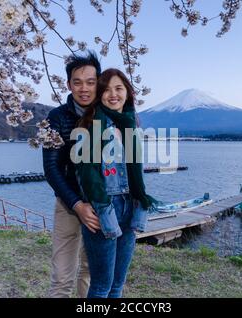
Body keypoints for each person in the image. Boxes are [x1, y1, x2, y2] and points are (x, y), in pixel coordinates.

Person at [75, 68, 157, 298]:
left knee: (118, 283)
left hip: (130, 206)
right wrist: (104, 212)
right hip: (103, 208)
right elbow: (86, 176)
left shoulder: (131, 126)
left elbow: (138, 173)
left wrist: (141, 207)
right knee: (102, 285)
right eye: (107, 89)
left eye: (119, 88)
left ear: (128, 93)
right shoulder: (90, 126)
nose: (113, 94)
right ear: (99, 94)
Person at [43, 52, 102, 298]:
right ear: (68, 85)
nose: (84, 88)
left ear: (99, 82)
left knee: (90, 273)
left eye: (90, 81)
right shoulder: (56, 117)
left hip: (100, 207)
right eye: (77, 82)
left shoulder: (107, 114)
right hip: (68, 204)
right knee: (62, 278)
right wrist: (77, 204)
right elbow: (51, 168)